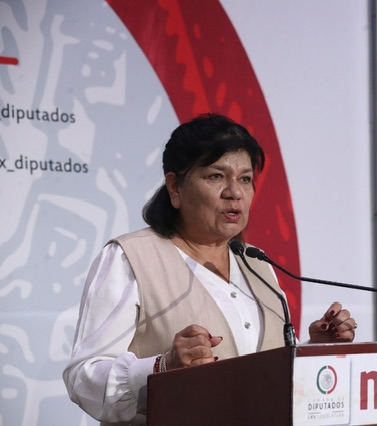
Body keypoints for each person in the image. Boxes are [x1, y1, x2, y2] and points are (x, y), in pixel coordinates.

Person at [63, 113, 357, 425]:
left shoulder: (258, 265)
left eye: (245, 179)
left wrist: (315, 351)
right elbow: (83, 378)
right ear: (175, 187)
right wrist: (160, 367)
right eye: (217, 176)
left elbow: (266, 377)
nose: (235, 192)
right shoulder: (129, 259)